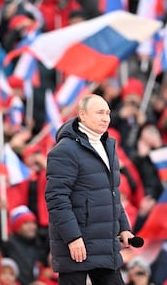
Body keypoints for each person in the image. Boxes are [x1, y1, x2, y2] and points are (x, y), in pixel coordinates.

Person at [45, 94, 134, 285]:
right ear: (82, 115)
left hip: (105, 244)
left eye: (108, 113)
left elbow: (111, 195)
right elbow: (57, 198)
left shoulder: (109, 146)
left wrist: (124, 227)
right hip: (76, 246)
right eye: (100, 113)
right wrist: (73, 238)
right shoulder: (64, 150)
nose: (105, 118)